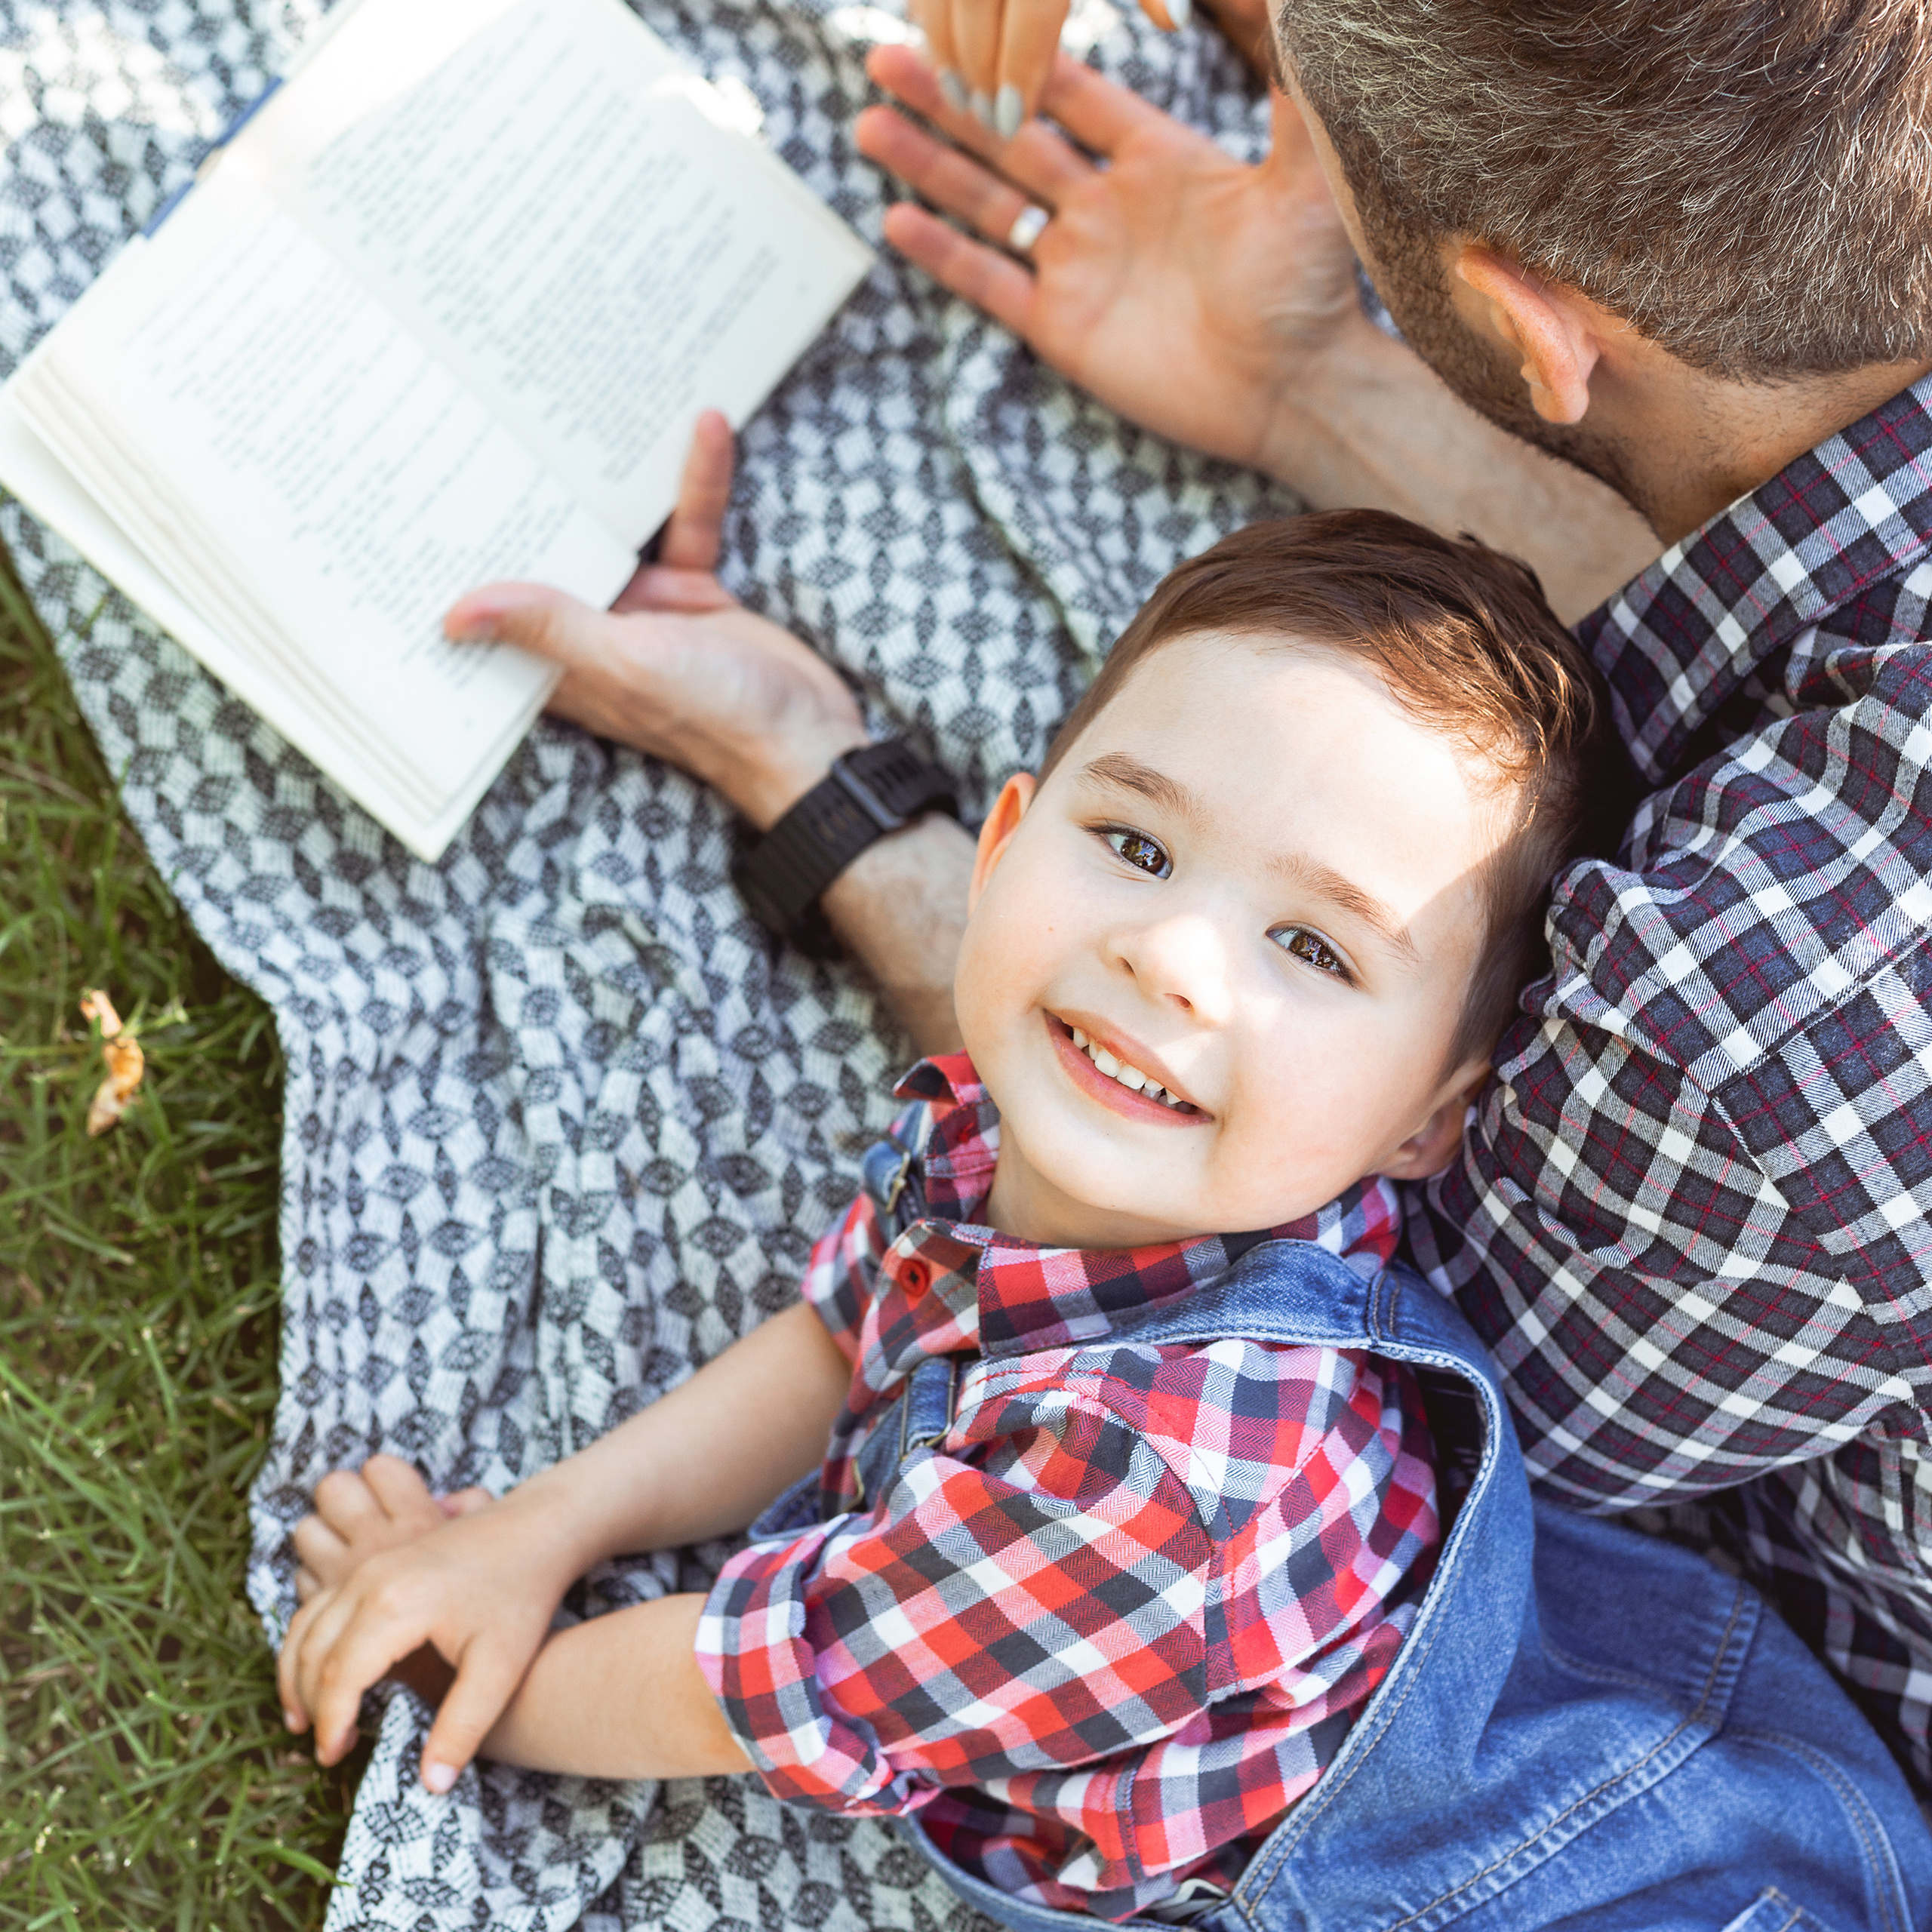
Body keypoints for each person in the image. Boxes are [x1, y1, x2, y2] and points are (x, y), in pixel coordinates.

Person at [438, 0, 1932, 1798]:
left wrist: (814, 785)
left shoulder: (1736, 1039)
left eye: (1284, 74)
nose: (1167, 957)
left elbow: (1239, 1215)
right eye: (1135, 849)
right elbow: (872, 1305)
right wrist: (1313, 377)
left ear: (1532, 324)